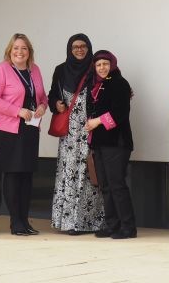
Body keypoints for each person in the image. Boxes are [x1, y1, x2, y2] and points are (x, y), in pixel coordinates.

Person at [0, 33, 48, 236]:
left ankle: (25, 220)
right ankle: (16, 222)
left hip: (30, 128)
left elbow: (43, 97)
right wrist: (17, 111)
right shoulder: (2, 70)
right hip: (8, 130)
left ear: (29, 51)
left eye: (24, 48)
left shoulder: (35, 70)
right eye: (16, 48)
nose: (20, 52)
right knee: (13, 174)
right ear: (9, 51)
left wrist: (42, 106)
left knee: (26, 175)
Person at [48, 33, 104, 235]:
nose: (79, 50)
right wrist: (56, 104)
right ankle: (68, 221)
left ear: (89, 48)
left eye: (83, 46)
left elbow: (107, 88)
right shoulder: (61, 70)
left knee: (89, 174)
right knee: (68, 174)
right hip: (69, 133)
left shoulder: (95, 69)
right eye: (75, 47)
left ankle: (87, 222)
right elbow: (52, 94)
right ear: (69, 50)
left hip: (90, 130)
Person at [85, 50, 136, 239]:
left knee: (117, 185)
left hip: (117, 142)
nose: (102, 68)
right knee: (105, 186)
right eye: (98, 65)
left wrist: (97, 121)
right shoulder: (95, 85)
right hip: (100, 143)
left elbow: (120, 113)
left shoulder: (119, 83)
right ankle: (112, 225)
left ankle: (128, 227)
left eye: (105, 64)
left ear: (112, 64)